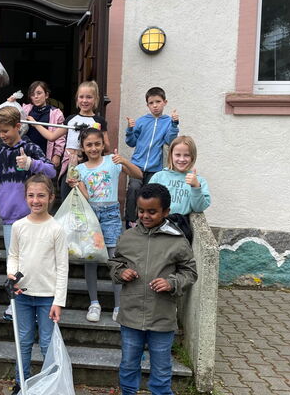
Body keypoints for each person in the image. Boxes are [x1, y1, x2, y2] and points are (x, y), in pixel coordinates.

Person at [108, 183, 198, 395]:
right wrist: (121, 272)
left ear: (166, 212)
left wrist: (172, 282)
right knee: (129, 362)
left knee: (161, 366)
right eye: (141, 211)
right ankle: (128, 392)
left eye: (152, 211)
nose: (145, 216)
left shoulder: (177, 240)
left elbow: (190, 273)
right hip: (131, 315)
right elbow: (114, 264)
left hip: (162, 316)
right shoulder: (127, 237)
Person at [0, 106, 55, 321]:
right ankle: (16, 303)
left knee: (34, 261)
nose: (2, 135)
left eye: (6, 130)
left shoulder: (30, 148)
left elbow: (51, 171)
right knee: (14, 263)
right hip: (7, 219)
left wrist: (31, 163)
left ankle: (36, 303)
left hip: (32, 218)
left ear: (17, 126)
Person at [66, 128, 142, 323]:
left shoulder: (112, 162)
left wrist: (124, 160)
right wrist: (75, 184)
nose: (93, 148)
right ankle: (94, 303)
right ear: (83, 147)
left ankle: (118, 305)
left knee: (114, 259)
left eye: (97, 144)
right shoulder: (81, 169)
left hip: (111, 215)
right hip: (90, 216)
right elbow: (85, 197)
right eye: (89, 145)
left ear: (103, 145)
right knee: (90, 259)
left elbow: (138, 174)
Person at [5, 174, 68, 395]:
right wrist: (12, 275)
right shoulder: (19, 226)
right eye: (31, 195)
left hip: (47, 297)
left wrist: (58, 301)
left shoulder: (56, 229)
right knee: (22, 341)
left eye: (41, 195)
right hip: (22, 294)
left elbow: (62, 267)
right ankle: (21, 382)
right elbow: (13, 255)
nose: (36, 200)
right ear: (25, 197)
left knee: (46, 344)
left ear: (51, 197)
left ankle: (50, 384)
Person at [124, 87, 180, 228]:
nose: (155, 105)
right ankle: (131, 221)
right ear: (147, 105)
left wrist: (174, 124)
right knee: (134, 188)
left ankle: (148, 223)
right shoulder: (142, 121)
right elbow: (131, 142)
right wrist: (130, 129)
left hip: (155, 167)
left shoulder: (167, 121)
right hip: (137, 165)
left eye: (158, 102)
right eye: (151, 103)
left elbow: (169, 139)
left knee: (151, 194)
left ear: (164, 102)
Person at [60, 81, 111, 199]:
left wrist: (97, 135)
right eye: (81, 97)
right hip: (70, 166)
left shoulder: (99, 121)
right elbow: (52, 136)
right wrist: (35, 123)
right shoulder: (71, 119)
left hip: (90, 166)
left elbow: (107, 147)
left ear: (95, 99)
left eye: (89, 97)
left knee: (87, 198)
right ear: (77, 99)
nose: (84, 100)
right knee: (66, 197)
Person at [149, 136, 211, 216]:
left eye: (186, 155)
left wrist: (196, 187)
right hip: (158, 224)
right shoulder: (158, 177)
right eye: (178, 155)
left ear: (192, 157)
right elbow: (147, 201)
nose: (182, 159)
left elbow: (198, 208)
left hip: (180, 225)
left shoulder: (199, 181)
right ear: (171, 155)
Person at [14, 81, 66, 173]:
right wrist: (11, 102)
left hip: (46, 152)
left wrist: (57, 155)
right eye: (33, 94)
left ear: (46, 95)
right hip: (26, 153)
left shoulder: (56, 113)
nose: (36, 97)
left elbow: (60, 137)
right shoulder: (25, 109)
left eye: (39, 93)